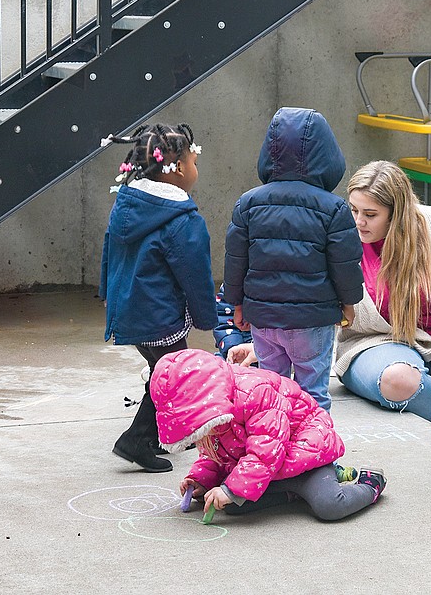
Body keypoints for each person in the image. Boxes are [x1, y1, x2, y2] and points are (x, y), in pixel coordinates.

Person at [223, 107, 364, 412]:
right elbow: (345, 265)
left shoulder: (248, 204)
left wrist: (237, 304)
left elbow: (236, 262)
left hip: (264, 320)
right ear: (327, 154)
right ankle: (315, 455)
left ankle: (272, 451)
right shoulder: (334, 208)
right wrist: (349, 303)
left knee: (270, 392)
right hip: (312, 322)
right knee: (312, 393)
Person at [99, 123, 218, 473]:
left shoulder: (126, 205)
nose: (196, 169)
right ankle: (135, 439)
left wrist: (108, 294)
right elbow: (195, 274)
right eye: (194, 162)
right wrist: (206, 318)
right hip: (159, 314)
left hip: (130, 311)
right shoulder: (182, 220)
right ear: (178, 169)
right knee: (173, 377)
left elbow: (109, 251)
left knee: (159, 371)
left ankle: (152, 436)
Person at [334, 160, 431, 424]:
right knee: (399, 380)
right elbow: (311, 300)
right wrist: (273, 345)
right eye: (353, 210)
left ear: (397, 214)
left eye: (370, 214)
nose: (358, 221)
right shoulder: (341, 238)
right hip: (374, 344)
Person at [150, 349, 387, 520]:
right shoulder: (212, 415)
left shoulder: (256, 393)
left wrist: (231, 490)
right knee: (228, 504)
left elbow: (266, 451)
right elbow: (214, 454)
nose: (198, 435)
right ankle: (293, 493)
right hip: (271, 469)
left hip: (305, 457)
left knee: (330, 506)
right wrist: (200, 480)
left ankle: (370, 483)